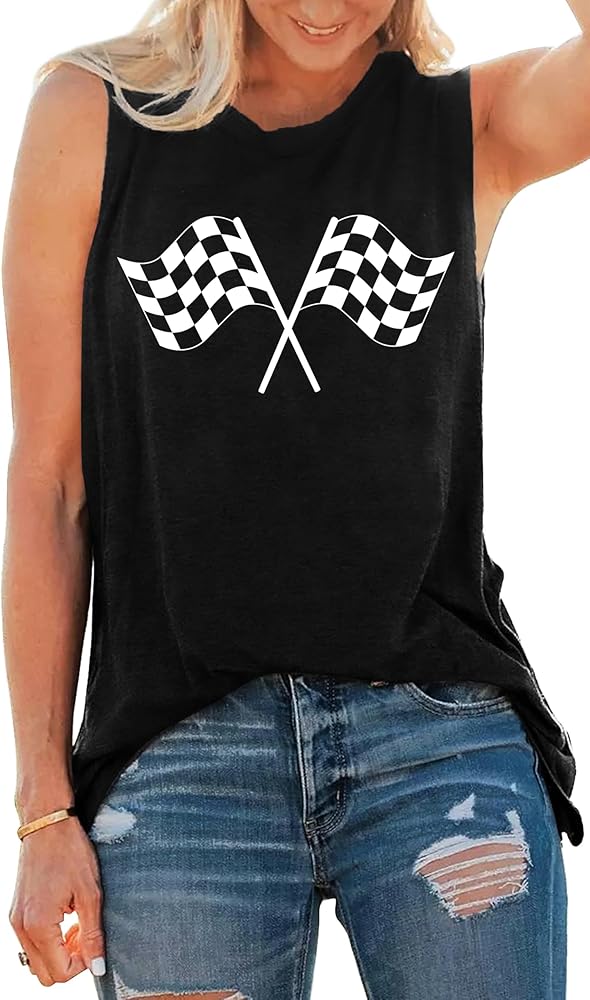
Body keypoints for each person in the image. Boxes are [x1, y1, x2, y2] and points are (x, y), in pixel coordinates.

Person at [2, 1, 587, 997]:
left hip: (439, 741)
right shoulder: (92, 113)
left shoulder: (472, 120)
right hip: (181, 757)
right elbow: (50, 484)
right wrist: (43, 811)